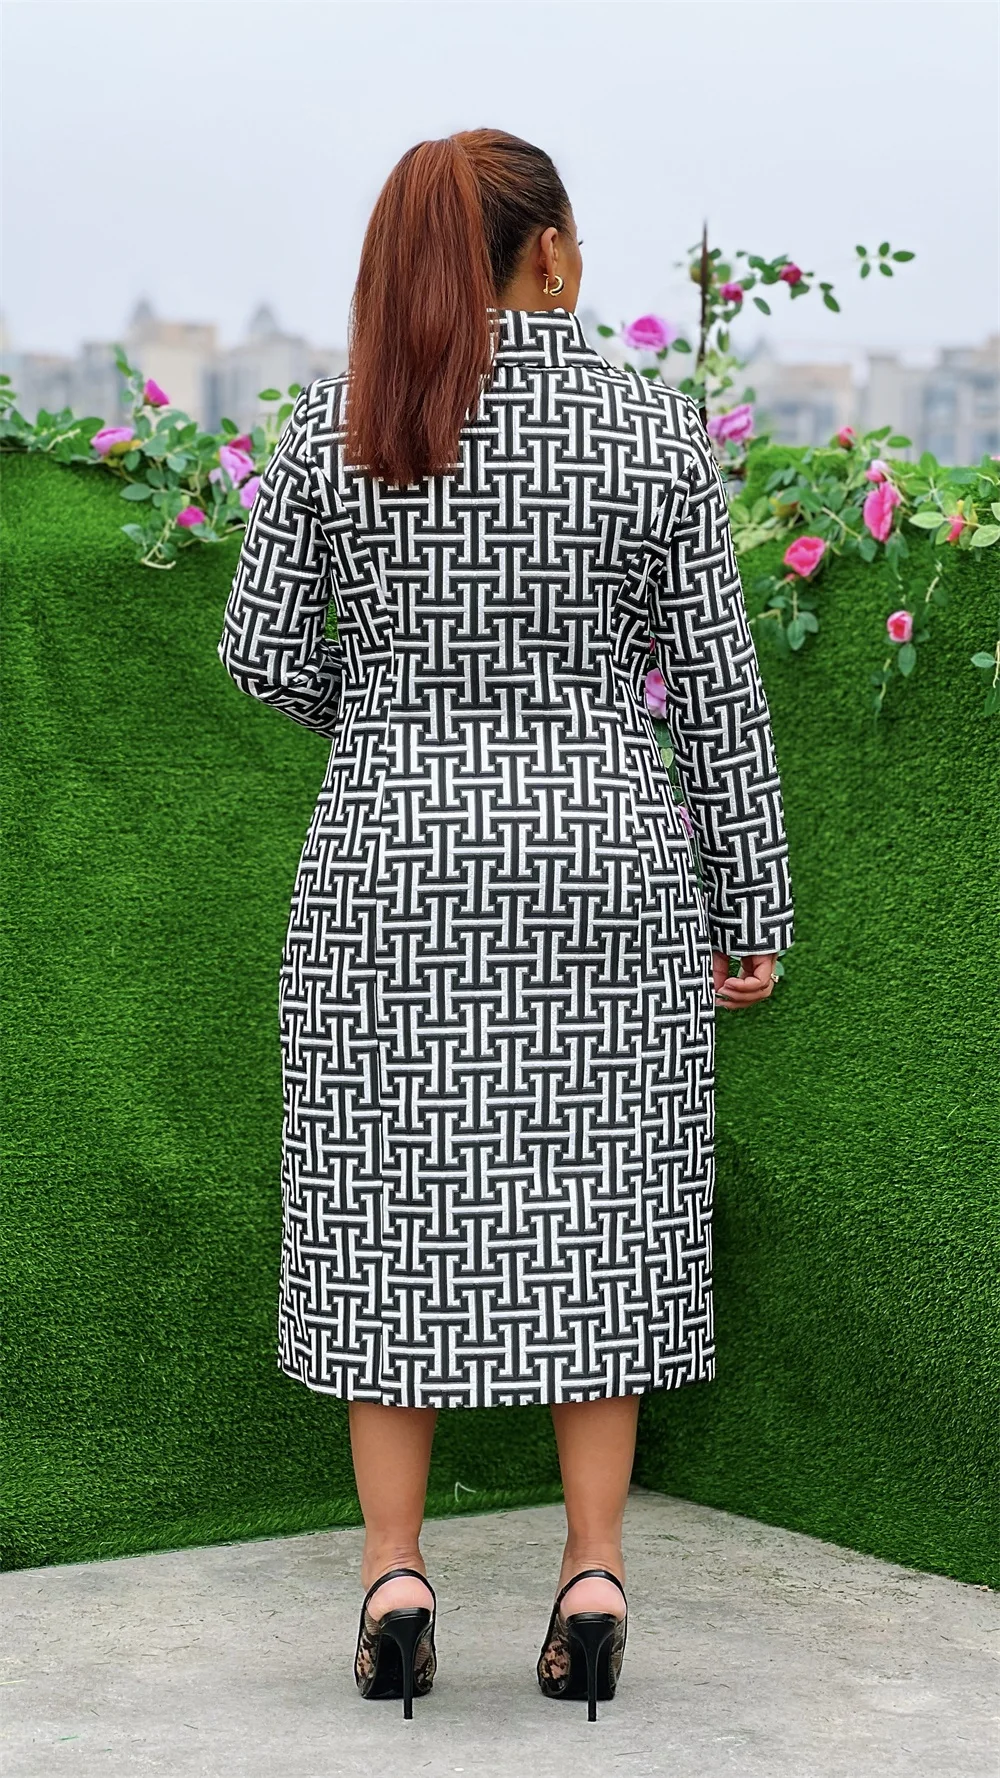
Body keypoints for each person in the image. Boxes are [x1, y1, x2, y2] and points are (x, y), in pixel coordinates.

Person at [217, 128, 794, 1724]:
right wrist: (750, 898)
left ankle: (393, 1579)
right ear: (547, 251)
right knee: (606, 1202)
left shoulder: (335, 421)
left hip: (389, 865)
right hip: (606, 859)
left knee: (383, 1203)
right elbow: (721, 694)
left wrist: (391, 728)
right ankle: (593, 1574)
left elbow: (260, 651)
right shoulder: (649, 425)